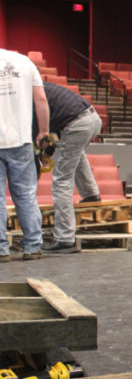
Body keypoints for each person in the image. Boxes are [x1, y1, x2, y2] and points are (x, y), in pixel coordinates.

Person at [33, 82, 102, 253]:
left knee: (61, 179)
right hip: (93, 118)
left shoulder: (30, 99)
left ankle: (65, 238)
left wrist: (34, 175)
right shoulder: (41, 88)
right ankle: (91, 194)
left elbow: (41, 138)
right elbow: (48, 137)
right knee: (76, 154)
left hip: (77, 124)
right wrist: (45, 151)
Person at [0, 49, 49, 262]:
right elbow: (40, 99)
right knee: (27, 195)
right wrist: (44, 132)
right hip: (21, 139)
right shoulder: (25, 62)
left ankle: (2, 250)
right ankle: (32, 246)